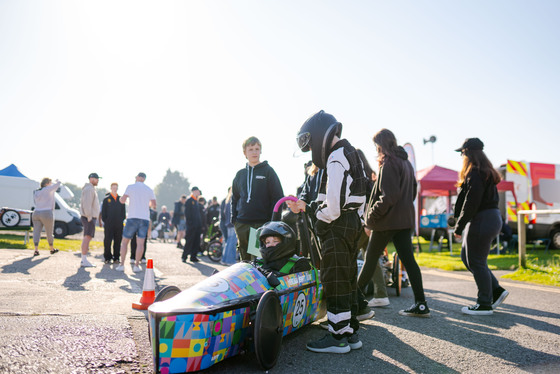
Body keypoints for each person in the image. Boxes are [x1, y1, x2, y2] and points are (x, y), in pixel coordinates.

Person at [287, 110, 368, 354]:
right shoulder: (351, 152)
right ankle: (350, 331)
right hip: (353, 222)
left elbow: (332, 207)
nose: (312, 149)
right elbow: (359, 198)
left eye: (311, 143)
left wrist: (314, 215)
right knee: (348, 278)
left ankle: (338, 335)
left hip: (338, 225)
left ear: (320, 136)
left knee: (334, 280)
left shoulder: (335, 158)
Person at [357, 129, 430, 318]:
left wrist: (370, 218)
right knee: (409, 262)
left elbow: (388, 196)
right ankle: (421, 304)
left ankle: (352, 303)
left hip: (386, 222)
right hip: (404, 220)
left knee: (370, 261)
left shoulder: (388, 163)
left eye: (376, 145)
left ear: (380, 144)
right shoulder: (405, 163)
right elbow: (412, 190)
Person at [453, 138, 509, 315]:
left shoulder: (476, 173)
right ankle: (496, 291)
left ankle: (484, 303)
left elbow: (471, 202)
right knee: (467, 257)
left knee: (476, 261)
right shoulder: (484, 171)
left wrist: (459, 226)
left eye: (462, 153)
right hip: (490, 218)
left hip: (482, 219)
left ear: (468, 152)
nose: (462, 156)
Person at [232, 136, 284, 261]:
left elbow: (278, 197)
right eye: (251, 149)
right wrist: (234, 220)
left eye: (257, 149)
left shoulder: (268, 171)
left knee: (257, 261)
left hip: (260, 224)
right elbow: (234, 198)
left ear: (261, 151)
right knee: (244, 262)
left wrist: (273, 222)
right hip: (242, 224)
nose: (254, 152)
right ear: (245, 152)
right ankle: (245, 282)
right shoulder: (240, 174)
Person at [356, 149, 389, 308]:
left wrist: (365, 223)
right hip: (371, 223)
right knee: (371, 259)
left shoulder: (358, 177)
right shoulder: (371, 178)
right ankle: (380, 294)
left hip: (362, 224)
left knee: (348, 256)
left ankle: (353, 294)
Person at [117, 172, 156, 272]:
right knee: (140, 243)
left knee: (125, 241)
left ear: (138, 177)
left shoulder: (130, 187)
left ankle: (121, 265)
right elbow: (154, 204)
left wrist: (123, 199)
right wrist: (145, 204)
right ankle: (136, 266)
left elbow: (122, 200)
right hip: (144, 218)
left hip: (132, 216)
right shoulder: (149, 189)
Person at [31, 178, 61, 256]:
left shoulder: (37, 191)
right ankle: (51, 249)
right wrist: (57, 181)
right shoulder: (48, 189)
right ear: (47, 183)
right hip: (47, 212)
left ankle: (36, 250)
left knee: (36, 231)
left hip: (36, 212)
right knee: (49, 232)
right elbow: (58, 184)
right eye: (50, 182)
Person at [100, 183, 126, 264]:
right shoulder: (106, 199)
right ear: (111, 188)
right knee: (107, 240)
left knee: (118, 241)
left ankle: (116, 257)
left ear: (117, 188)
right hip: (109, 224)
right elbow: (103, 213)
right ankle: (107, 257)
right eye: (113, 187)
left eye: (116, 187)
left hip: (118, 224)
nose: (114, 189)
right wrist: (106, 221)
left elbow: (123, 213)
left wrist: (121, 220)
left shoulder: (121, 199)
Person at [80, 173, 101, 267]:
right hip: (89, 217)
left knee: (87, 237)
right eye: (96, 179)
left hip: (90, 217)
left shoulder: (90, 188)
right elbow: (87, 204)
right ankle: (84, 260)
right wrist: (89, 217)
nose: (98, 180)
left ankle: (84, 259)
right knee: (87, 237)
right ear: (91, 179)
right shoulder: (89, 189)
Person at [182, 186, 203, 263]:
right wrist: (190, 224)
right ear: (194, 191)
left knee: (196, 241)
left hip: (197, 225)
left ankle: (193, 256)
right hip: (191, 226)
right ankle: (184, 256)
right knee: (189, 241)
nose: (198, 193)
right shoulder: (189, 200)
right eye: (197, 191)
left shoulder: (196, 201)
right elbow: (187, 214)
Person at [220, 188, 237, 265]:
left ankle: (224, 259)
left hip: (228, 223)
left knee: (228, 242)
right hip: (233, 223)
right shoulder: (233, 200)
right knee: (232, 243)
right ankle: (230, 260)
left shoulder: (227, 200)